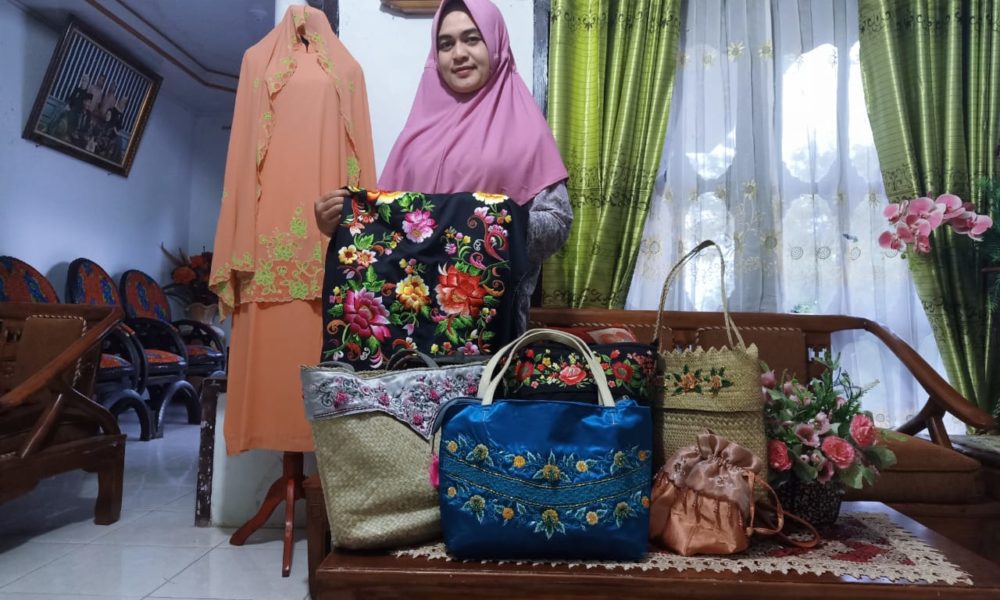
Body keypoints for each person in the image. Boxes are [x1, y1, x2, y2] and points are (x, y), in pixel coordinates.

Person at [314, 0, 572, 333]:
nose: (458, 53)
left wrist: (484, 222)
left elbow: (557, 223)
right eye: (446, 44)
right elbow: (389, 225)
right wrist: (341, 221)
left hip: (488, 326)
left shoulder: (525, 129)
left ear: (496, 44)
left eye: (472, 39)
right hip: (410, 326)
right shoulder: (417, 134)